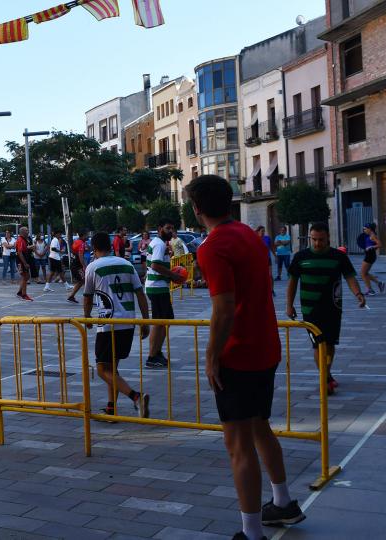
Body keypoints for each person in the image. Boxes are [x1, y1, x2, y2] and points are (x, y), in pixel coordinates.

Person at [188, 175, 305, 540]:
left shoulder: (212, 246)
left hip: (239, 354)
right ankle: (283, 502)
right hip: (266, 347)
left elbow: (223, 309)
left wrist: (211, 356)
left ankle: (252, 532)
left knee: (237, 444)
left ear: (196, 209)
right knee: (259, 426)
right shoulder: (249, 236)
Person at [287, 222, 366, 395]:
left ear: (328, 237)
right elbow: (292, 282)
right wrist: (289, 305)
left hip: (333, 307)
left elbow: (350, 276)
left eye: (321, 240)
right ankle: (324, 378)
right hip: (310, 309)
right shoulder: (301, 257)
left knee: (330, 344)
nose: (317, 243)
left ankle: (327, 373)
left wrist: (358, 294)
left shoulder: (338, 257)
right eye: (313, 239)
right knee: (318, 344)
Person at [83, 232, 151, 418]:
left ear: (94, 248)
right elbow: (140, 294)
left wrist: (87, 317)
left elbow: (87, 298)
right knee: (113, 369)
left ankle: (136, 397)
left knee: (102, 370)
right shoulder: (127, 264)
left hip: (107, 324)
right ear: (111, 246)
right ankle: (111, 407)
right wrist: (145, 321)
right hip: (127, 322)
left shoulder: (93, 267)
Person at [145, 219, 185, 369]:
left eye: (172, 228)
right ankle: (152, 356)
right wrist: (173, 275)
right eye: (168, 228)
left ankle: (157, 353)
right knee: (159, 322)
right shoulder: (159, 244)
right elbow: (155, 265)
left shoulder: (160, 243)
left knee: (164, 322)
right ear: (160, 228)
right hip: (156, 287)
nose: (171, 231)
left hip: (158, 287)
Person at [359, 223, 385, 296]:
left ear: (369, 229)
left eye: (365, 229)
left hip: (370, 256)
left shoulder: (373, 236)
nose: (364, 230)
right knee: (365, 273)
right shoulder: (369, 235)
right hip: (369, 255)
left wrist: (371, 247)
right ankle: (379, 283)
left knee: (363, 273)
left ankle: (370, 290)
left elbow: (380, 244)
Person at [67, 230, 88, 303]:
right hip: (77, 265)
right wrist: (84, 266)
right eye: (87, 235)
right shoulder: (81, 243)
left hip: (74, 264)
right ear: (83, 235)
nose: (88, 236)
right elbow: (80, 255)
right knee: (84, 280)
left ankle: (71, 296)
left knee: (81, 281)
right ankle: (88, 298)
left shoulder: (77, 241)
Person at [15, 227, 33, 301]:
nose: (28, 231)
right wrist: (25, 263)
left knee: (26, 276)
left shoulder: (24, 240)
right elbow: (19, 252)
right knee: (25, 276)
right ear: (22, 232)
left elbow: (24, 249)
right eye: (26, 230)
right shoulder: (20, 240)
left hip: (23, 260)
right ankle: (24, 295)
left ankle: (20, 292)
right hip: (21, 261)